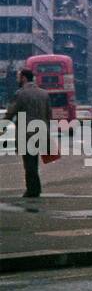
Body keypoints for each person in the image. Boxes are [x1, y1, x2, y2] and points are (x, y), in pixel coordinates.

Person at [5, 69, 51, 198]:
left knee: (29, 163)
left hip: (26, 133)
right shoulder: (44, 94)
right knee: (34, 161)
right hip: (41, 131)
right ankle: (35, 188)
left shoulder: (20, 94)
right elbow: (49, 115)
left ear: (24, 78)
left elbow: (10, 112)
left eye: (19, 77)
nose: (18, 80)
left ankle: (32, 190)